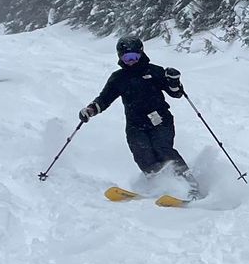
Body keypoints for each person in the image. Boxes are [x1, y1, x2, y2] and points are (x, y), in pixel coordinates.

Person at [78, 37, 201, 195]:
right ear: (120, 57)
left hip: (160, 121)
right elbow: (104, 99)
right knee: (142, 154)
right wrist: (90, 110)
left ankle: (191, 186)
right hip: (135, 125)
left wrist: (174, 82)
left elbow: (175, 94)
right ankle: (161, 186)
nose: (131, 62)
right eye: (126, 58)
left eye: (134, 57)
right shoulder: (118, 78)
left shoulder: (154, 71)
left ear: (141, 53)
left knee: (162, 149)